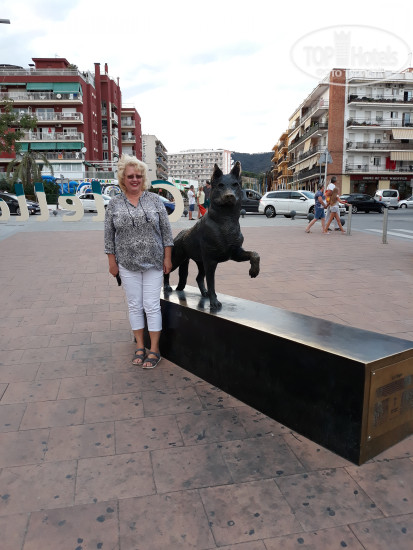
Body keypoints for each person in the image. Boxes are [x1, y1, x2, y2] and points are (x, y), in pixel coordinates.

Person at [104, 154, 174, 369]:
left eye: (138, 176)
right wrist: (112, 262)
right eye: (130, 176)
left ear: (143, 178)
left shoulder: (155, 201)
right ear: (123, 178)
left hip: (154, 262)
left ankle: (155, 349)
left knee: (151, 305)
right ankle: (140, 346)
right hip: (127, 263)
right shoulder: (114, 204)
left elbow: (166, 232)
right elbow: (108, 236)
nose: (134, 179)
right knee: (134, 305)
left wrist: (167, 258)